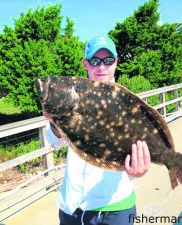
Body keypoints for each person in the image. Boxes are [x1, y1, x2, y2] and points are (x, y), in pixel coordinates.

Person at [44, 35, 151, 225]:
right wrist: (55, 122)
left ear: (116, 63)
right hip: (72, 205)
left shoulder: (129, 103)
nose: (102, 67)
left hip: (117, 205)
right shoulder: (73, 94)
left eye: (108, 61)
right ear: (86, 64)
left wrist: (139, 170)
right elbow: (55, 141)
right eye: (95, 61)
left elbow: (138, 151)